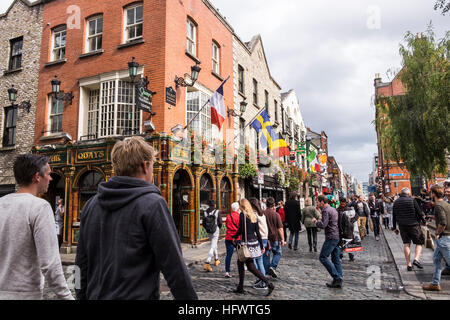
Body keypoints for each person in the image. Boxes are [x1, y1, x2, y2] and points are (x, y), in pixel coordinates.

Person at [75, 136, 197, 300]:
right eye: (152, 166)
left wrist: (80, 296)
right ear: (145, 166)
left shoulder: (91, 204)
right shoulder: (153, 204)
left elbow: (80, 264)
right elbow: (174, 267)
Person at [0, 154, 73, 300]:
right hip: (25, 294)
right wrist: (66, 296)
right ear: (37, 177)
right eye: (48, 174)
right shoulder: (40, 207)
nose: (51, 179)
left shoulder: (1, 203)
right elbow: (50, 263)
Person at [232, 199, 274, 296]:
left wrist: (234, 237)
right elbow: (258, 232)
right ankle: (240, 286)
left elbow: (241, 229)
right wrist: (261, 245)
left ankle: (268, 283)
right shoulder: (253, 215)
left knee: (250, 267)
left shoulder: (243, 215)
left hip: (247, 244)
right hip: (254, 243)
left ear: (242, 206)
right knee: (244, 265)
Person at [422, 185, 450, 291]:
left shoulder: (438, 205)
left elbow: (443, 222)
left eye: (431, 192)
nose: (430, 194)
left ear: (433, 194)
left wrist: (438, 232)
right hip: (445, 238)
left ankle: (435, 283)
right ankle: (435, 283)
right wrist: (433, 217)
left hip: (444, 238)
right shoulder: (446, 204)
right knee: (436, 259)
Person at [392, 187, 427, 272]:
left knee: (406, 244)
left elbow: (394, 216)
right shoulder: (412, 200)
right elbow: (419, 212)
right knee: (419, 242)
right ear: (408, 193)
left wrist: (394, 228)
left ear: (401, 193)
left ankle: (409, 264)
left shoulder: (396, 202)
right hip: (414, 225)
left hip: (402, 226)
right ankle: (416, 259)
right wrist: (424, 221)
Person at [312, 195, 343, 288]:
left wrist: (316, 222)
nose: (317, 204)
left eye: (318, 202)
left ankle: (337, 277)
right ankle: (338, 280)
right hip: (336, 236)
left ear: (322, 202)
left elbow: (324, 224)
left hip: (331, 237)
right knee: (336, 259)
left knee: (323, 257)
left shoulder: (325, 210)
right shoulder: (333, 209)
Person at [263, 197, 286, 279]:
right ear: (273, 205)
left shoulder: (263, 213)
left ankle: (266, 271)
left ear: (266, 205)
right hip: (275, 238)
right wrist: (283, 239)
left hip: (265, 238)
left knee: (266, 255)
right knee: (278, 253)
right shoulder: (276, 215)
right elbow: (280, 228)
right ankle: (272, 266)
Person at [249, 197, 269, 289]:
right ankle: (261, 279)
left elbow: (255, 229)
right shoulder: (262, 214)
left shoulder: (255, 215)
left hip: (258, 238)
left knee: (256, 260)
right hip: (264, 238)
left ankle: (263, 280)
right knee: (258, 260)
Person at [203, 199, 222, 272]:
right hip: (215, 230)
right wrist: (217, 228)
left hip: (209, 231)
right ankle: (207, 262)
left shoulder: (205, 212)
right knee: (213, 246)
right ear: (214, 205)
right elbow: (220, 222)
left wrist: (207, 229)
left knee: (213, 245)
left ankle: (216, 259)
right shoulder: (217, 212)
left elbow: (204, 223)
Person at [225, 202, 241, 278]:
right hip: (237, 238)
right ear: (238, 208)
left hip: (229, 237)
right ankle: (242, 268)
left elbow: (227, 225)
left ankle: (227, 271)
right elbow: (240, 228)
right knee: (240, 254)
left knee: (228, 255)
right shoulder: (239, 216)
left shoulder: (228, 216)